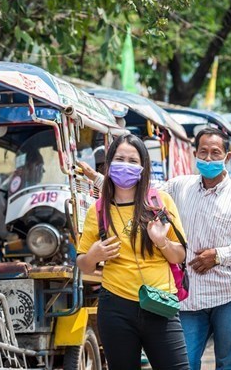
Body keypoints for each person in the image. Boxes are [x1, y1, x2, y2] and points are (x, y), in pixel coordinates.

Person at [80, 128, 231, 370]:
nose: (208, 159)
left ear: (227, 157)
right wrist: (98, 178)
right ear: (195, 154)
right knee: (186, 363)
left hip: (229, 292)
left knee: (228, 363)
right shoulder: (179, 187)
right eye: (203, 152)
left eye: (215, 153)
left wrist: (219, 256)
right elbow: (135, 191)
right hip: (188, 298)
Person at [76, 134, 189, 370]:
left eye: (132, 160)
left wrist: (161, 242)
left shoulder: (160, 202)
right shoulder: (97, 210)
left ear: (143, 167)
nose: (125, 165)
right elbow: (83, 264)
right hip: (115, 307)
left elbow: (180, 256)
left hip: (160, 304)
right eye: (119, 159)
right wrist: (93, 256)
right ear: (108, 165)